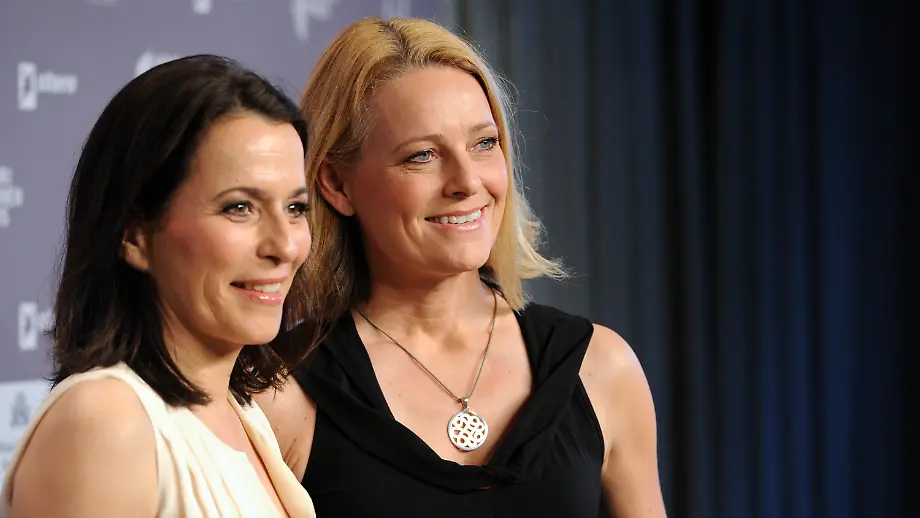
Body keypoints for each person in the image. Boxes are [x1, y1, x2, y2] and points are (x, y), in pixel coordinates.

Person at [256, 17, 667, 517]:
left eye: (484, 144)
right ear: (337, 185)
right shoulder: (280, 388)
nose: (467, 181)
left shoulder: (602, 368)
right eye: (423, 155)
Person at [1, 55, 316, 518]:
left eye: (295, 208)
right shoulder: (107, 423)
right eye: (239, 208)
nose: (285, 246)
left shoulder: (244, 415)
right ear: (134, 235)